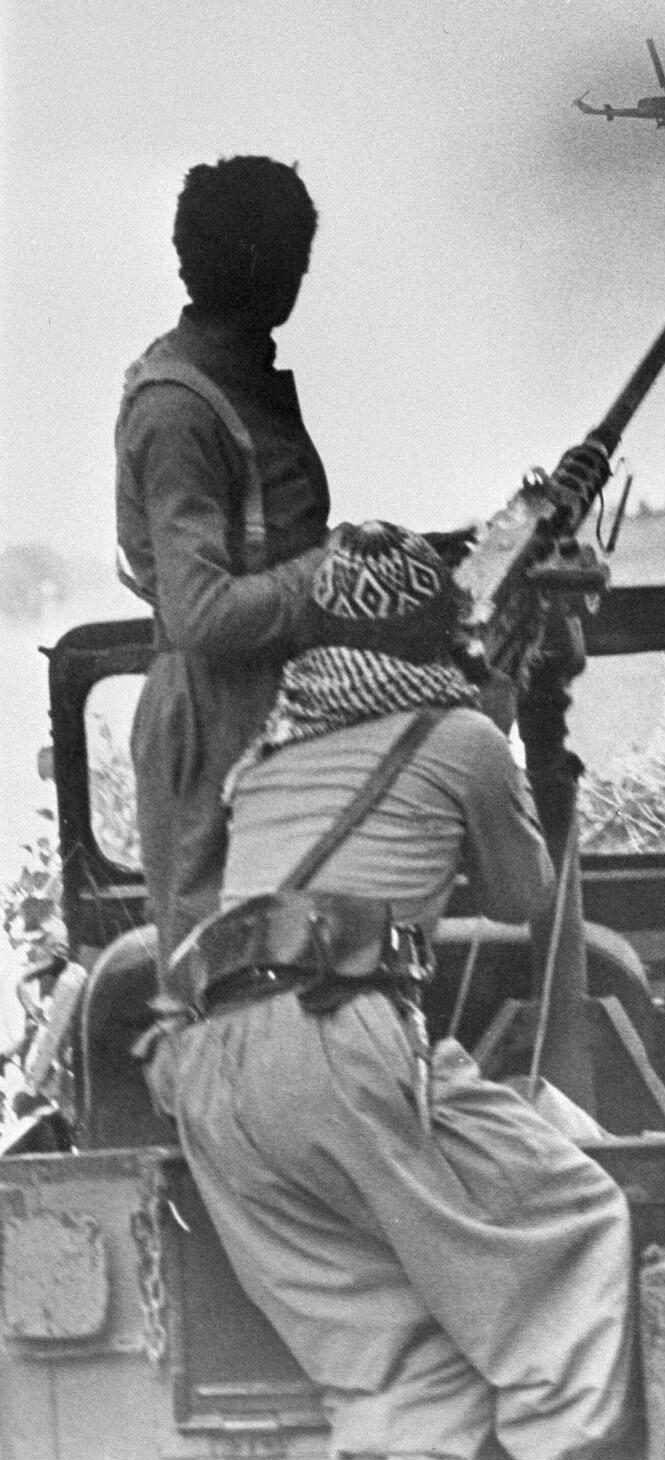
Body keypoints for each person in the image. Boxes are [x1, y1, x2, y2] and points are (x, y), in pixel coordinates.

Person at [163, 521, 637, 1460]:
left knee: (353, 1271)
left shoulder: (267, 753)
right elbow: (524, 898)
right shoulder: (458, 735)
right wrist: (512, 743)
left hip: (208, 1059)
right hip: (340, 1029)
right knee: (568, 1214)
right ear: (437, 644)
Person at [115, 155, 330, 979]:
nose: (292, 284)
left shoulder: (230, 385)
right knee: (223, 986)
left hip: (270, 718)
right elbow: (201, 612)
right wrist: (337, 571)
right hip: (212, 730)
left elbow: (272, 547)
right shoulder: (179, 409)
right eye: (287, 263)